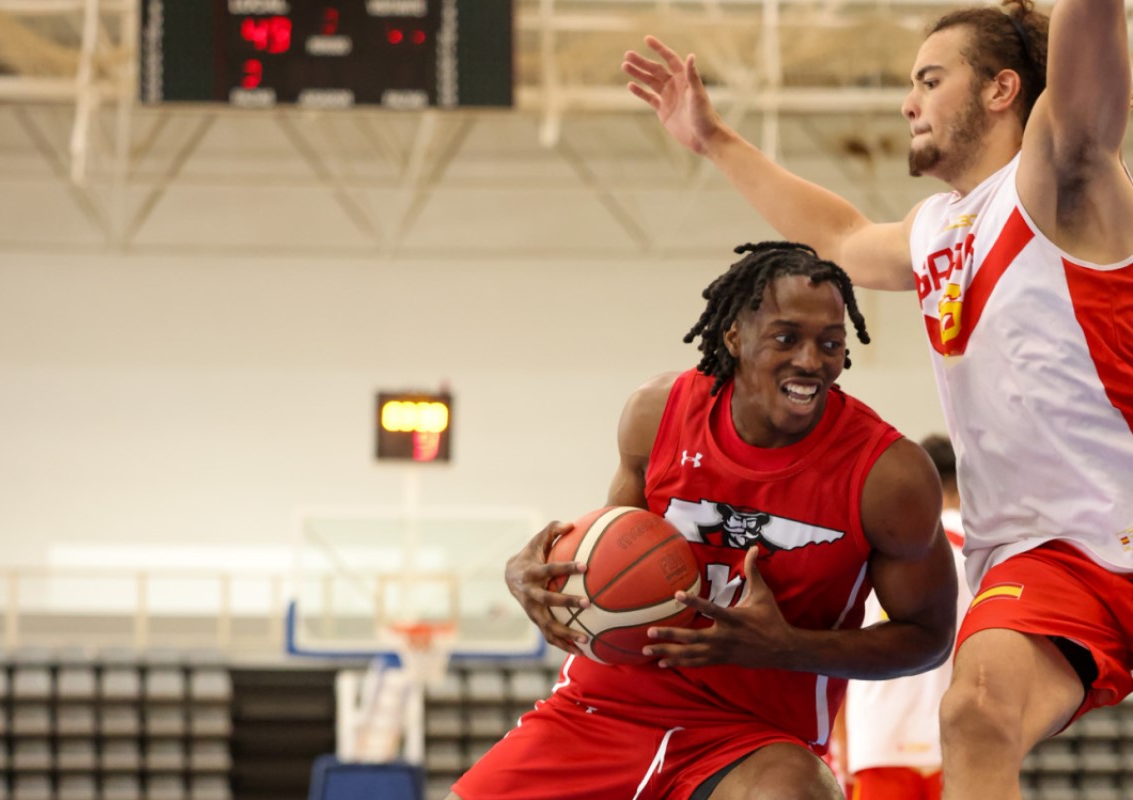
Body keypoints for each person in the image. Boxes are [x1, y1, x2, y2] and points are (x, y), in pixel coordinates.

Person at [622, 0, 1133, 795]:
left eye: (929, 80)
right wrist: (714, 138)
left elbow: (1089, 46)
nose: (907, 103)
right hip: (1046, 560)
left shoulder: (1059, 178)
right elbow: (838, 237)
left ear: (1002, 90)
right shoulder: (936, 231)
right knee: (976, 710)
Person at [448, 242, 958, 800]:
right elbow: (607, 553)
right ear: (734, 336)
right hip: (600, 708)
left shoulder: (890, 476)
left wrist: (788, 647)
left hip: (753, 737)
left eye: (830, 343)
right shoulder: (656, 415)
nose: (812, 361)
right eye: (787, 338)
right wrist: (531, 573)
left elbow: (928, 639)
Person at [835, 434, 972, 800]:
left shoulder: (878, 545)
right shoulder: (982, 554)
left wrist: (843, 740)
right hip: (958, 738)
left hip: (879, 737)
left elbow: (841, 647)